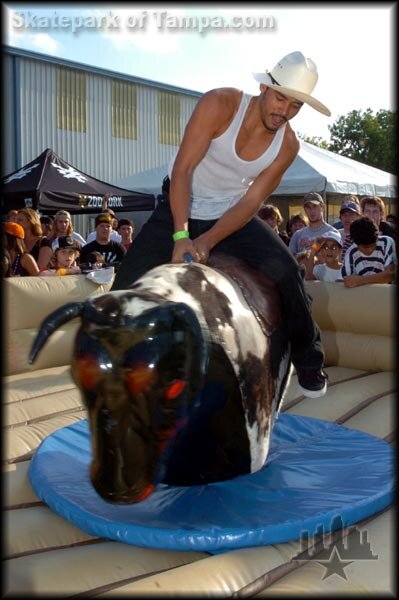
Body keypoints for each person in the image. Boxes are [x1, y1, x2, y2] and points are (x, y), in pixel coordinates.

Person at [112, 51, 332, 397]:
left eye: (295, 106)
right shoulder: (220, 104)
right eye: (280, 98)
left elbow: (249, 202)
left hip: (230, 214)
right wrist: (182, 233)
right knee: (122, 290)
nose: (284, 111)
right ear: (263, 86)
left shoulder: (287, 145)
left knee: (288, 272)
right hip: (179, 204)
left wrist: (209, 239)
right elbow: (183, 170)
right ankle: (119, 377)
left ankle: (309, 361)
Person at [341, 217, 396, 288]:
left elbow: (391, 274)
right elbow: (344, 280)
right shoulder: (351, 252)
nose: (369, 250)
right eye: (365, 247)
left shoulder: (387, 242)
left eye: (372, 245)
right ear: (355, 243)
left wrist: (361, 280)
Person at [288, 192, 338, 258]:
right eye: (308, 207)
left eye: (315, 206)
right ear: (304, 209)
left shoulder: (332, 233)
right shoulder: (297, 235)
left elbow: (335, 261)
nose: (312, 211)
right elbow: (289, 260)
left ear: (322, 207)